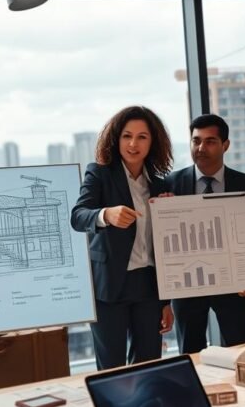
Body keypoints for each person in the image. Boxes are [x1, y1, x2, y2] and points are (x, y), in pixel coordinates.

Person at [71, 106, 174, 370]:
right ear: (116, 139)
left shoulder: (161, 184)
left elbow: (166, 247)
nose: (133, 143)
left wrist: (166, 301)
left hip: (148, 287)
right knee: (112, 368)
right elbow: (78, 216)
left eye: (142, 137)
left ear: (153, 142)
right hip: (110, 286)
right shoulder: (99, 173)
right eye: (127, 136)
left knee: (149, 364)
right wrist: (106, 215)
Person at [164, 114, 245, 353]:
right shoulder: (170, 184)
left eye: (210, 141)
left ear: (225, 145)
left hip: (235, 285)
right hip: (187, 284)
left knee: (240, 350)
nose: (201, 148)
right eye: (196, 140)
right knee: (190, 352)